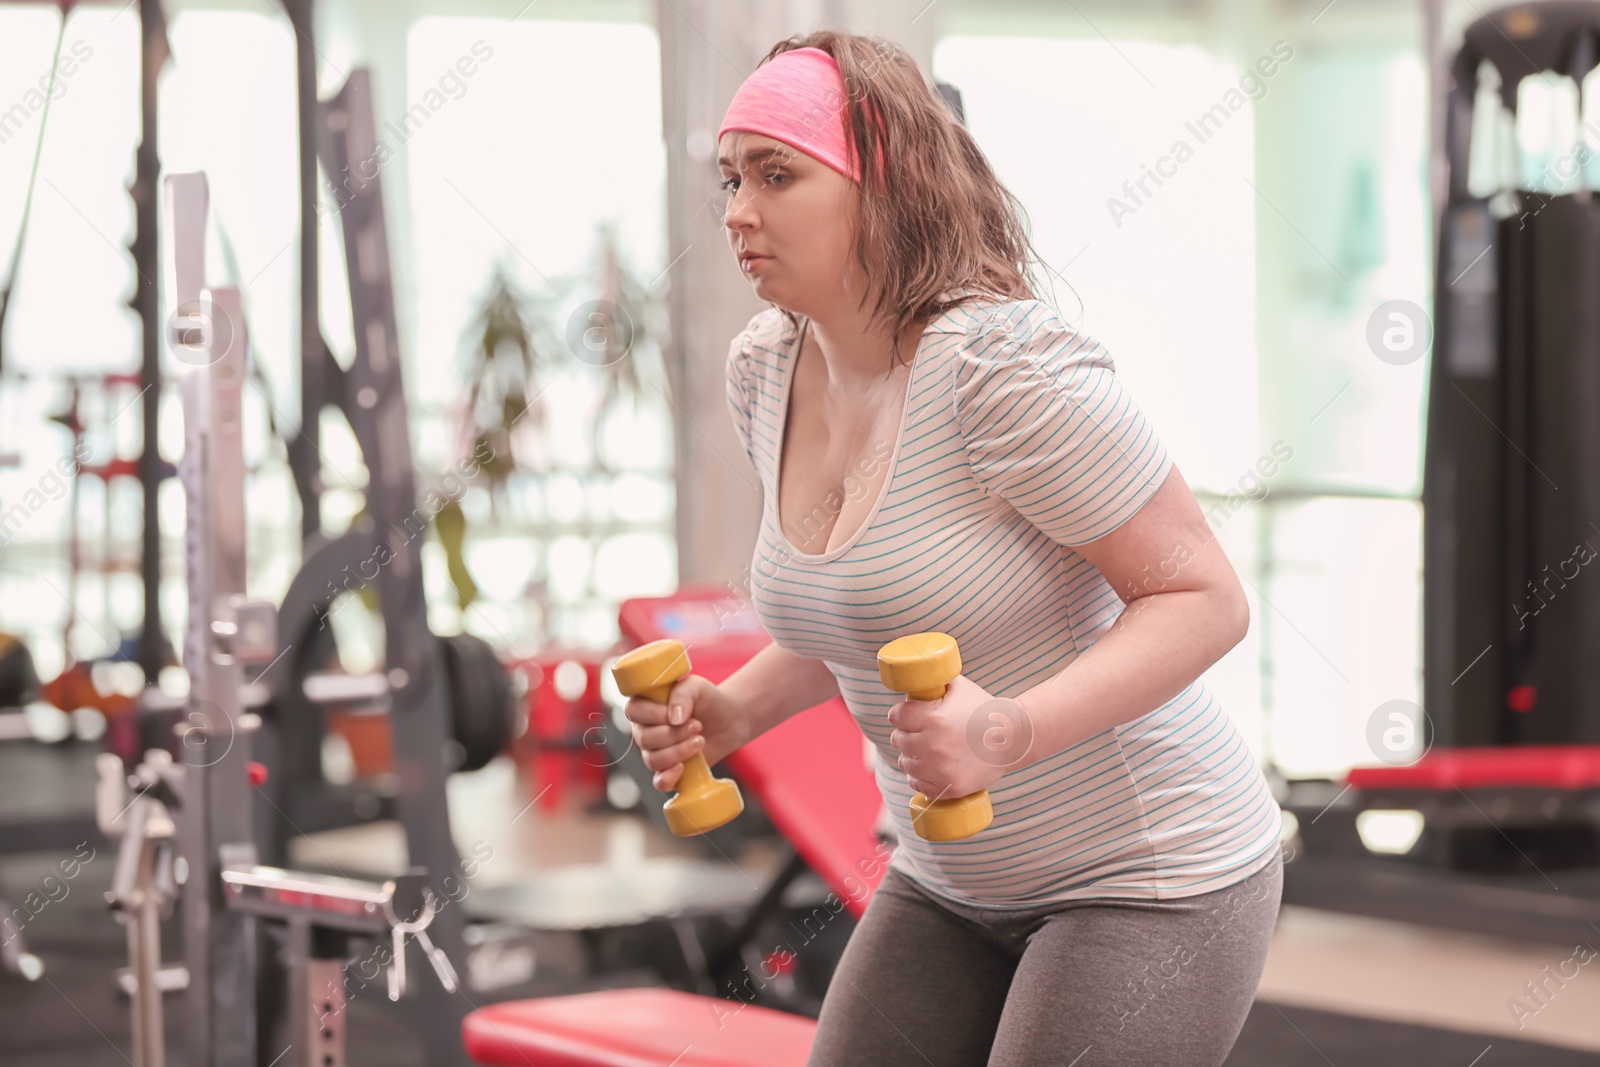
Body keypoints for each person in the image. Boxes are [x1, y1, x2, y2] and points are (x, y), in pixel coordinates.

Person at [624, 30, 1283, 1067]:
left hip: (1149, 875)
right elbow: (865, 604)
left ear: (882, 182)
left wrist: (1005, 730)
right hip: (949, 878)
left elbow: (1204, 597)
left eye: (777, 174)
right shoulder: (765, 371)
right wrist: (737, 707)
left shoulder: (1005, 374)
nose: (737, 213)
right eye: (729, 178)